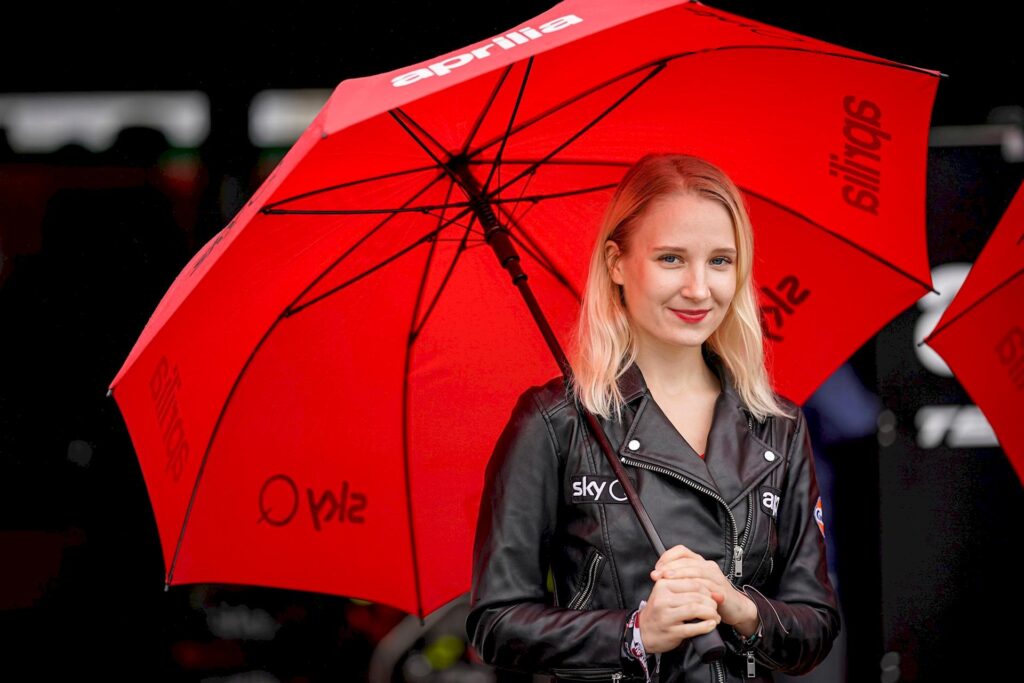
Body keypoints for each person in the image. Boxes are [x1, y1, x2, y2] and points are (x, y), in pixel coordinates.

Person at [465, 153, 841, 682]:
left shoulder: (778, 425)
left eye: (720, 261)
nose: (698, 288)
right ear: (618, 264)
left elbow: (816, 626)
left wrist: (742, 609)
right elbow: (497, 623)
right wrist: (635, 632)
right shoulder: (555, 422)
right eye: (670, 259)